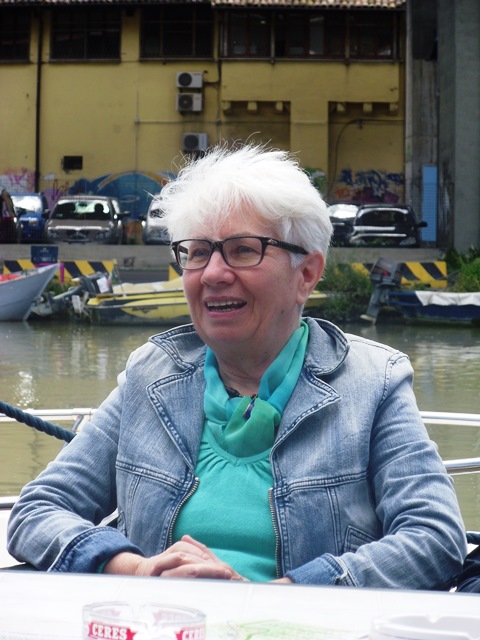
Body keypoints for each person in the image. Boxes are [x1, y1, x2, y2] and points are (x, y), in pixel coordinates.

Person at [7, 144, 467, 588]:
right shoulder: (150, 374)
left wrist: (281, 595)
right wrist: (136, 570)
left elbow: (433, 536)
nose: (212, 273)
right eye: (197, 252)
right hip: (163, 623)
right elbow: (39, 510)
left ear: (306, 274)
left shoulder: (373, 382)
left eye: (244, 250)